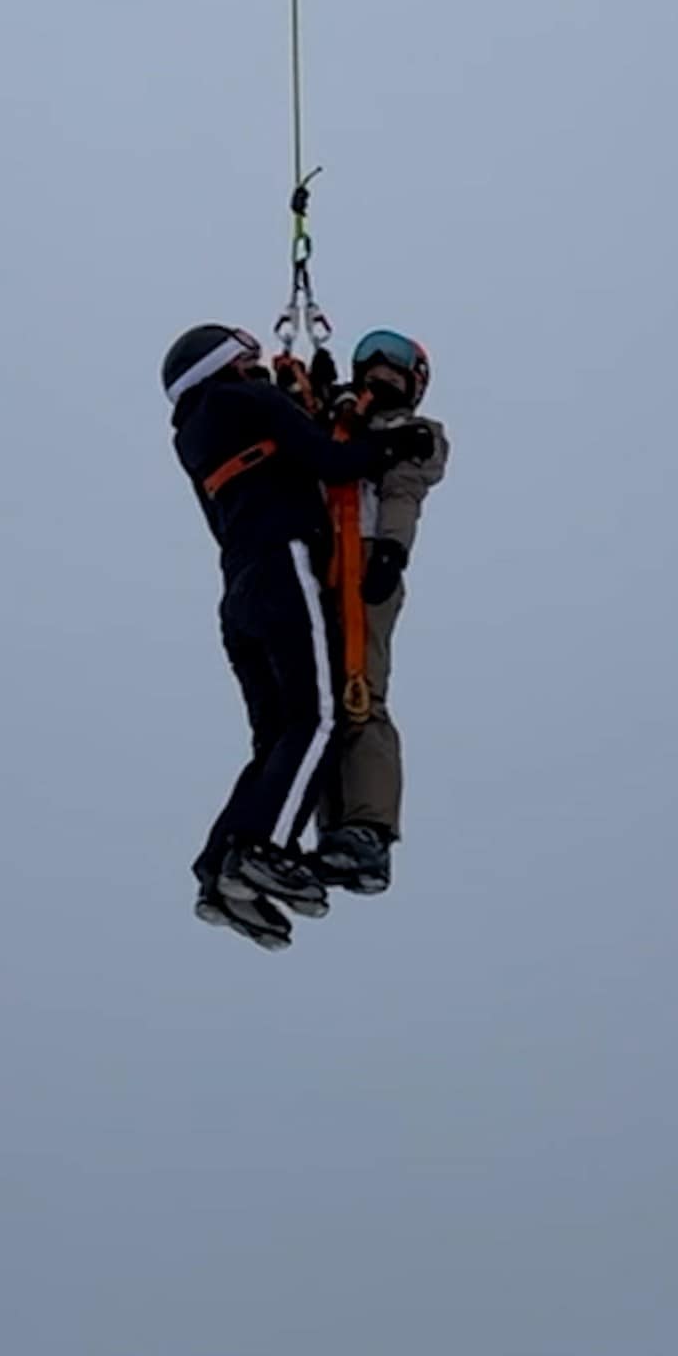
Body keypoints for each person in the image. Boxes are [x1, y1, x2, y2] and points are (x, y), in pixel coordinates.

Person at [162, 322, 434, 949]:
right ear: (226, 362)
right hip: (288, 566)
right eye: (248, 356)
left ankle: (223, 868)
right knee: (319, 719)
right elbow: (331, 457)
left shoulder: (199, 431)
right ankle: (265, 847)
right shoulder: (250, 402)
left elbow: (317, 443)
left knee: (278, 738)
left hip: (242, 591)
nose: (258, 364)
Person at [313, 331, 448, 897]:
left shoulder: (412, 433)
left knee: (360, 689)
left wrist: (392, 550)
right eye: (374, 360)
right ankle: (329, 830)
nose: (382, 372)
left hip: (367, 558)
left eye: (398, 367)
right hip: (319, 556)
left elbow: (403, 489)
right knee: (316, 702)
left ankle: (368, 829)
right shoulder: (340, 421)